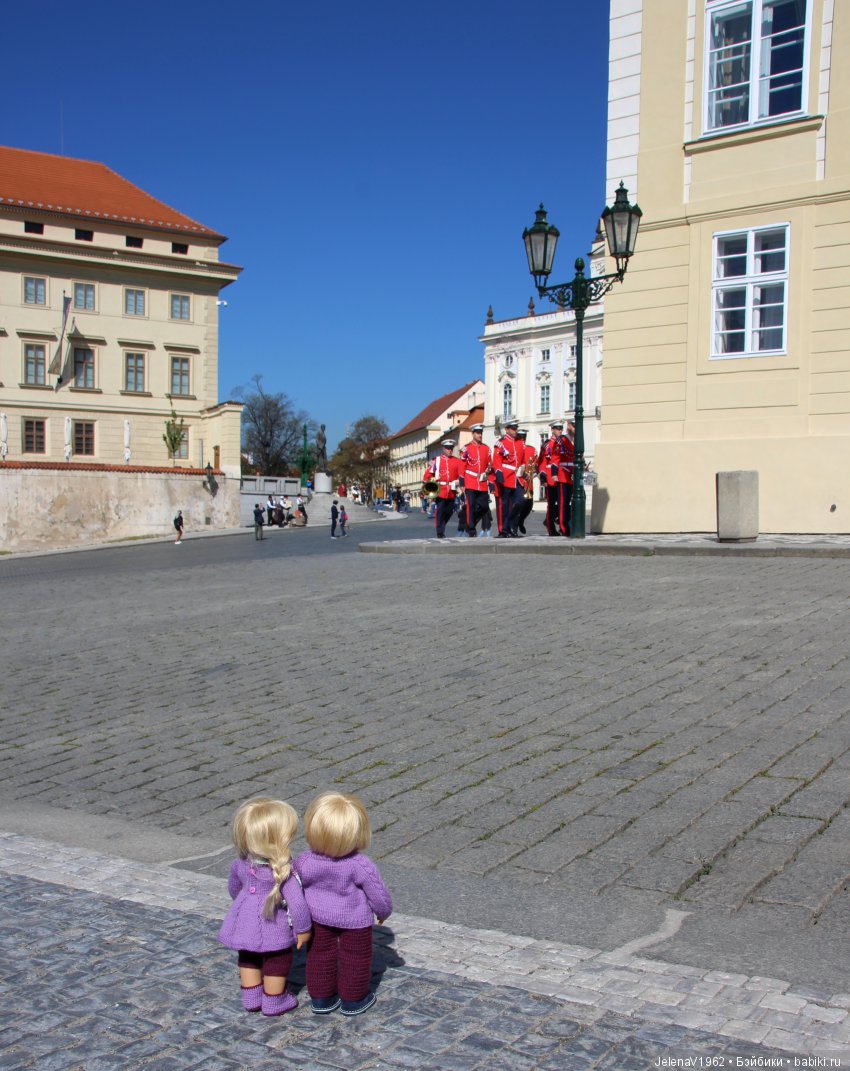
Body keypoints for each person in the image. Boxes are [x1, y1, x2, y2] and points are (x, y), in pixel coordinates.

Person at [296, 792, 392, 1016]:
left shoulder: (304, 860)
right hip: (355, 920)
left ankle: (321, 998)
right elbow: (378, 894)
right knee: (355, 957)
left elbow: (293, 887)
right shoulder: (359, 864)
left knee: (319, 955)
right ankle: (354, 999)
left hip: (316, 917)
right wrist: (383, 912)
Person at [218, 798, 312, 1017]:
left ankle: (251, 997)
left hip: (245, 922)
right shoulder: (284, 871)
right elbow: (298, 905)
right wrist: (304, 930)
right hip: (274, 926)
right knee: (278, 959)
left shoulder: (240, 863)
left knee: (248, 956)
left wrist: (243, 909)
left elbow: (233, 889)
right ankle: (274, 999)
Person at [491, 419, 524, 538]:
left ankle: (509, 523)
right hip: (505, 476)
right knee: (504, 505)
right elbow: (497, 459)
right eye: (513, 429)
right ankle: (504, 530)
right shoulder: (501, 443)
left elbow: (523, 458)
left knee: (521, 501)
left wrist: (525, 469)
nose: (515, 431)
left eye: (516, 429)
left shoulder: (520, 442)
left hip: (516, 477)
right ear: (507, 429)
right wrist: (499, 473)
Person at [423, 440, 462, 539]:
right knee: (440, 511)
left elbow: (460, 475)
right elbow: (426, 477)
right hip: (440, 490)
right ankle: (440, 531)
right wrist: (434, 479)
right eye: (448, 448)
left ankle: (442, 525)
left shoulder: (457, 461)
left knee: (449, 510)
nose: (450, 450)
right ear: (443, 449)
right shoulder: (436, 461)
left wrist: (457, 482)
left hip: (451, 490)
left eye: (451, 448)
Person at [459, 423, 491, 538]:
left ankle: (470, 522)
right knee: (471, 505)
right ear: (473, 434)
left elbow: (489, 463)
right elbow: (462, 466)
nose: (480, 435)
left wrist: (488, 470)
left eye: (481, 433)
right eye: (477, 433)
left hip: (481, 481)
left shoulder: (486, 448)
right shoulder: (466, 448)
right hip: (470, 480)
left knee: (484, 506)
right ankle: (471, 529)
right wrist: (462, 482)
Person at [539, 422, 563, 536]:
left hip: (561, 476)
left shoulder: (563, 442)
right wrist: (543, 477)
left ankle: (557, 520)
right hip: (550, 477)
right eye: (557, 429)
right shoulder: (547, 444)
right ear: (552, 430)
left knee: (563, 502)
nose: (560, 431)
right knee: (552, 504)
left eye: (561, 429)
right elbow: (542, 461)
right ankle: (550, 527)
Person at [515, 429, 537, 535]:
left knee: (528, 505)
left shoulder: (532, 449)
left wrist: (534, 472)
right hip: (518, 481)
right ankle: (514, 527)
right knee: (517, 505)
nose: (523, 439)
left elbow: (536, 464)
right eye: (520, 437)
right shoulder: (514, 448)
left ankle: (521, 520)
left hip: (528, 483)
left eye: (524, 437)